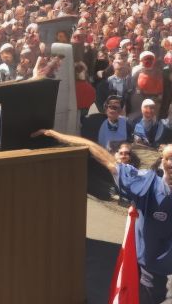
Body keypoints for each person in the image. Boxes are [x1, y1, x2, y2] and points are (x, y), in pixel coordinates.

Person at [34, 128, 172, 304]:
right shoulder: (146, 184)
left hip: (160, 274)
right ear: (162, 162)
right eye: (169, 158)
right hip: (143, 268)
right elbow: (100, 154)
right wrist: (55, 134)